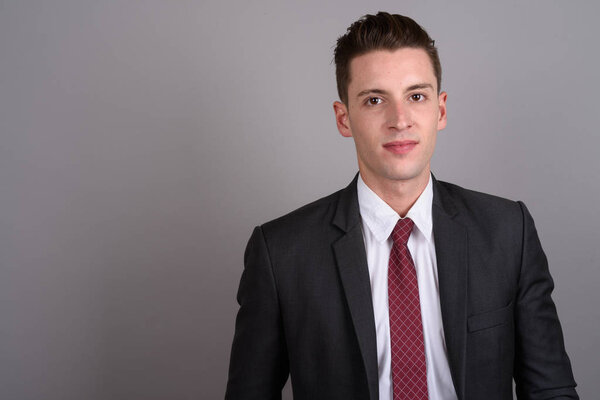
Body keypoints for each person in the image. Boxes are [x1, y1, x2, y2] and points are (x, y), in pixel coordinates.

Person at [225, 12, 578, 400]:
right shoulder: (281, 253)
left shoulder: (509, 232)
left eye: (416, 96)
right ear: (344, 119)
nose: (400, 120)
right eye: (375, 100)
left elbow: (551, 390)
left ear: (440, 110)